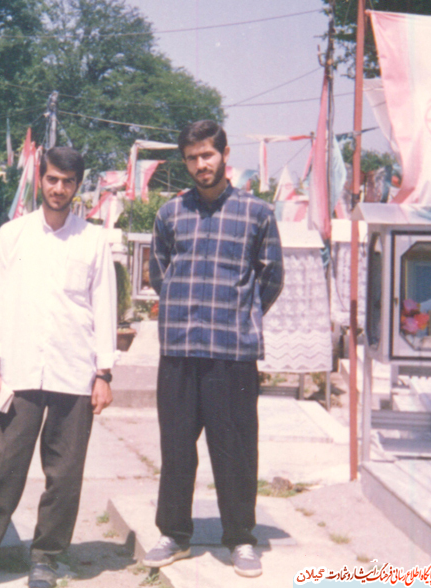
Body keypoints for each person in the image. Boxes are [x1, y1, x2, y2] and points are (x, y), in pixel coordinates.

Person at [0, 146, 116, 588]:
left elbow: (104, 308)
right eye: (52, 179)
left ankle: (47, 556)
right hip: (19, 369)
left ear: (77, 185)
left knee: (64, 473)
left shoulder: (93, 240)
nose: (58, 188)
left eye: (68, 181)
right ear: (40, 180)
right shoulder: (13, 235)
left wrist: (104, 374)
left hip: (74, 371)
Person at [144, 120, 283, 578]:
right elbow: (160, 272)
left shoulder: (257, 213)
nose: (200, 164)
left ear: (224, 154)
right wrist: (185, 307)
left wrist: (239, 313)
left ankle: (241, 538)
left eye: (207, 154)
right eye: (191, 158)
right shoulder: (170, 213)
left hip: (232, 351)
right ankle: (174, 534)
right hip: (180, 348)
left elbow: (271, 277)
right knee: (176, 446)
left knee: (235, 448)